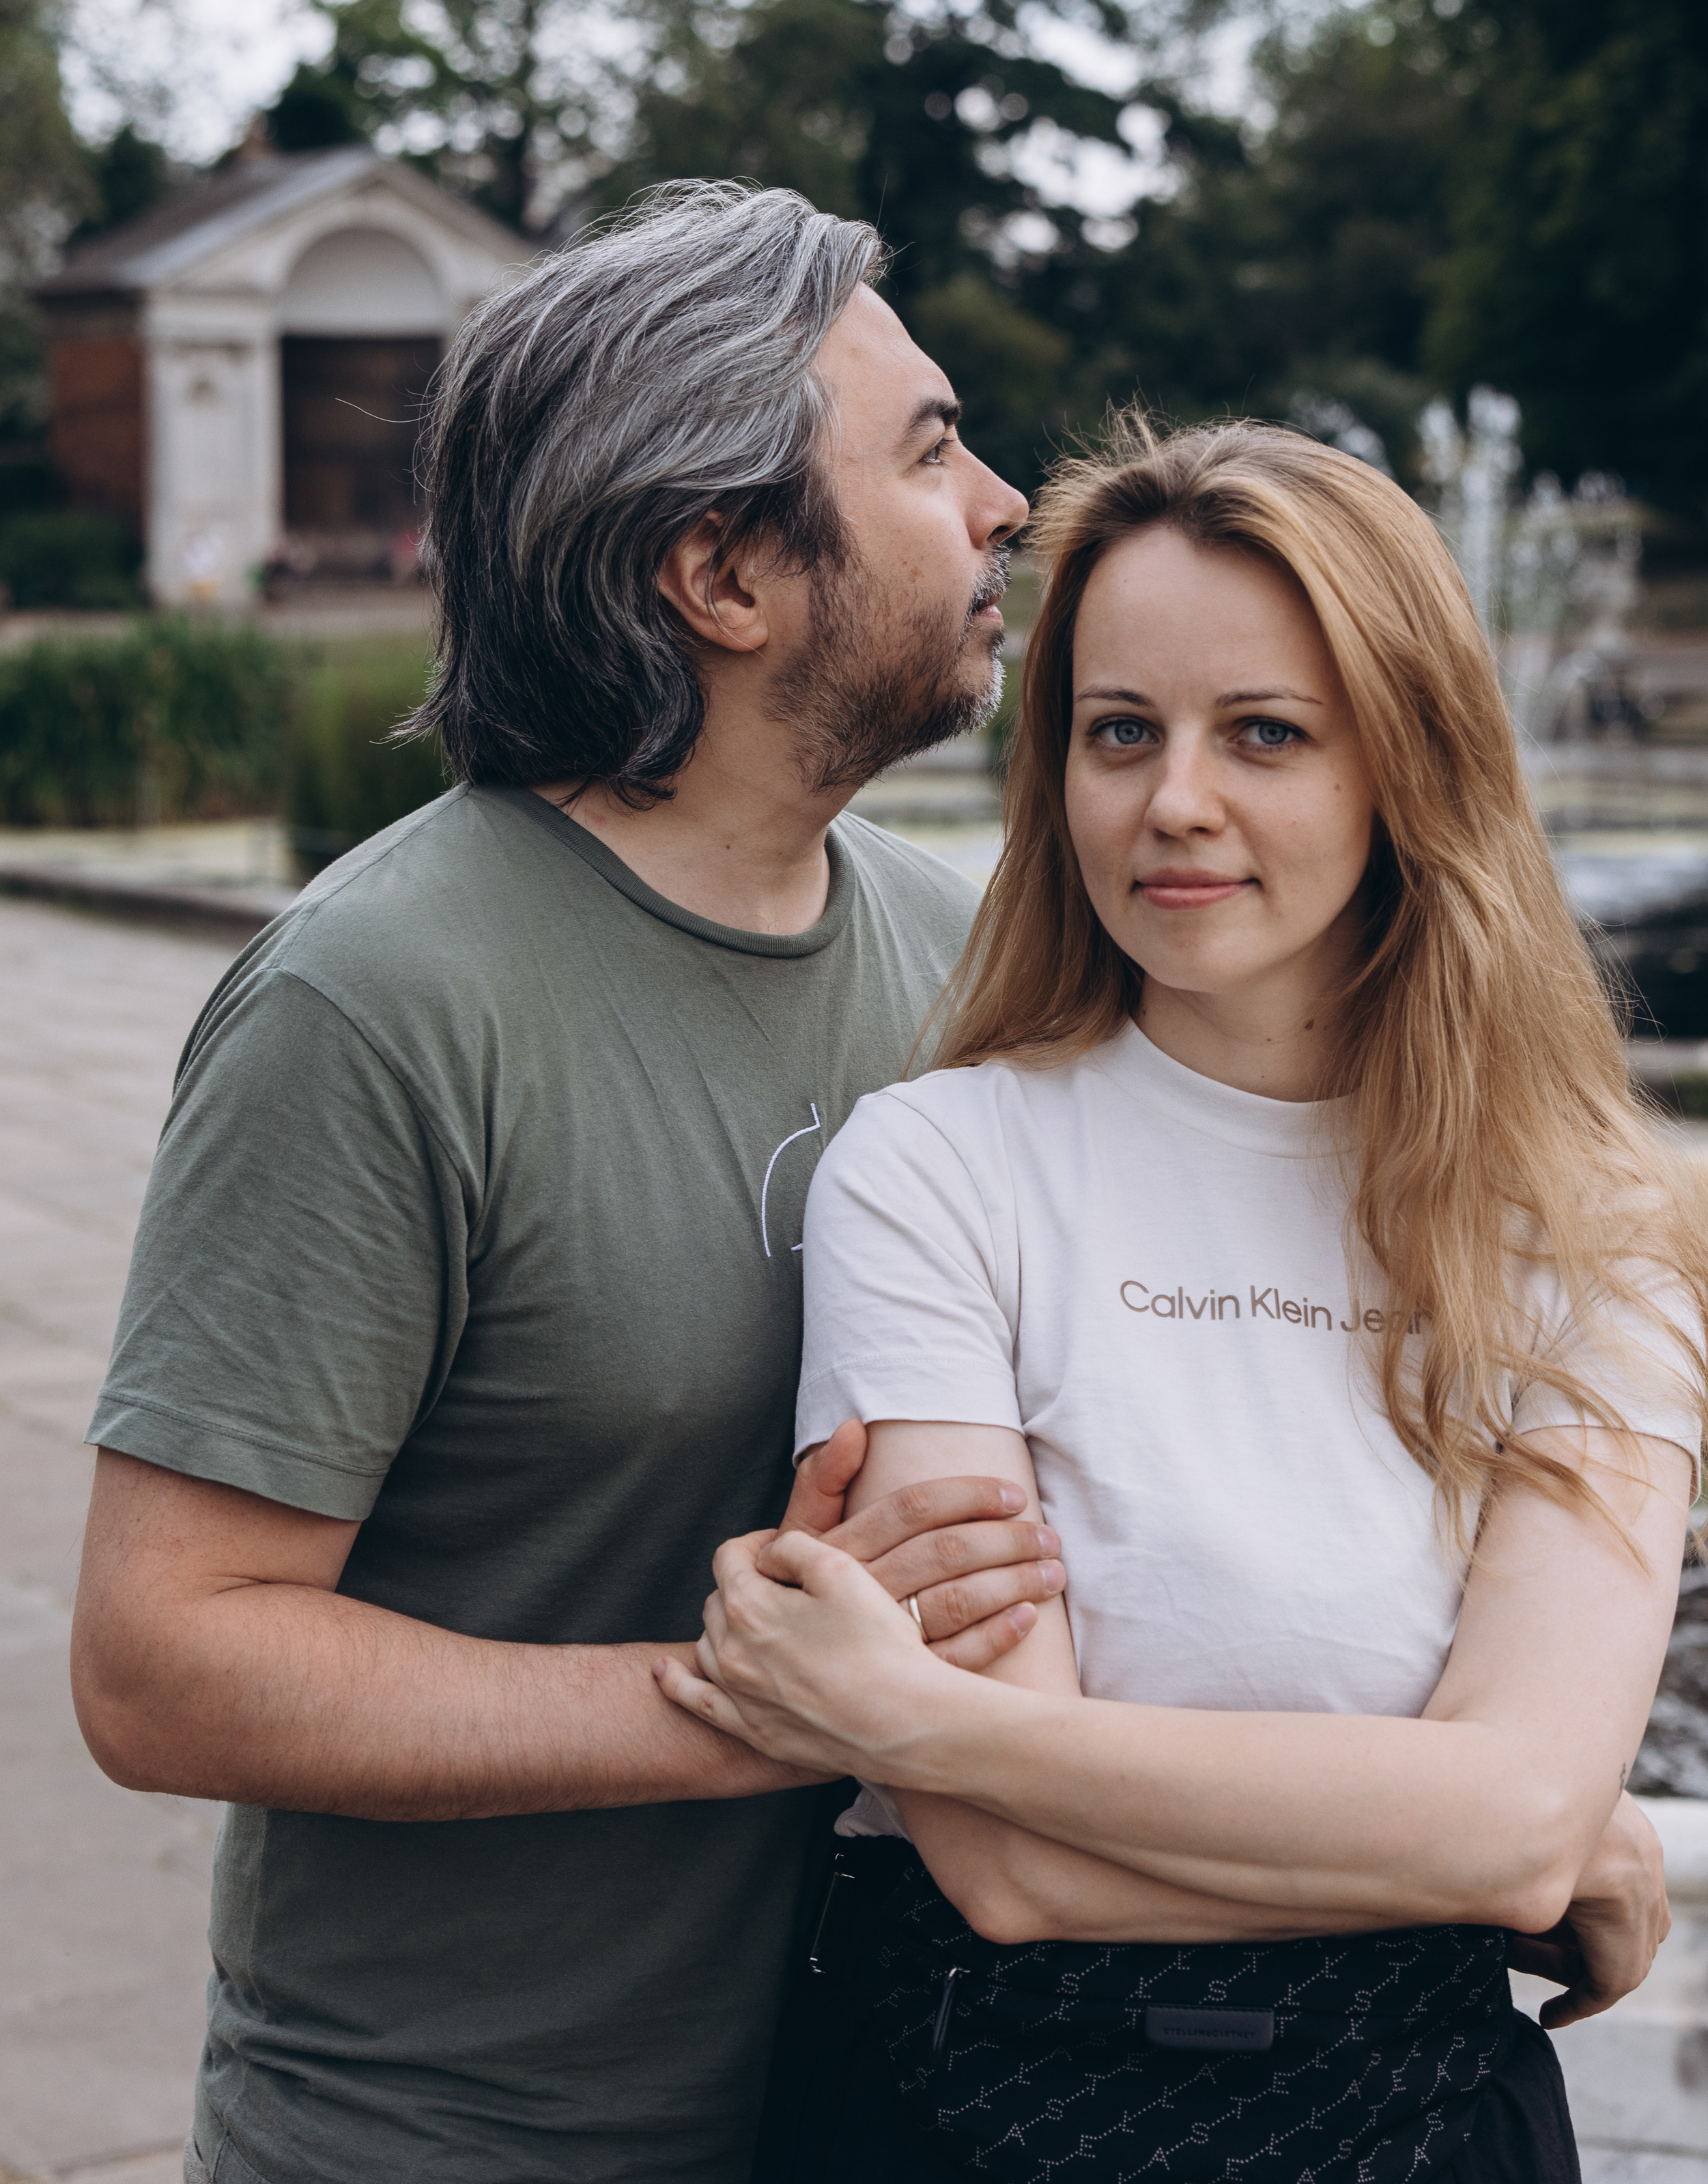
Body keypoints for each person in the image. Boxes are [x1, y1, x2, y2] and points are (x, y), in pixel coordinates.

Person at [68, 181, 1063, 2183]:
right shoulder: (379, 1002)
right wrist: (757, 1699)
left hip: (883, 2112)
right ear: (720, 568)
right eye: (933, 449)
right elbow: (166, 1658)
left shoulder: (961, 952)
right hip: (445, 2139)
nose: (1011, 503)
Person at [655, 416, 1708, 2182]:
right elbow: (1010, 1877)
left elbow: (1525, 1821)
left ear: (1405, 766)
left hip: (1418, 2133)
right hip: (976, 2111)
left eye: (1265, 734)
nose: (1174, 801)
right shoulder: (935, 1170)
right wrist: (1451, 1850)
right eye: (1118, 732)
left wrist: (919, 1723)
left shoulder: (1590, 1222)